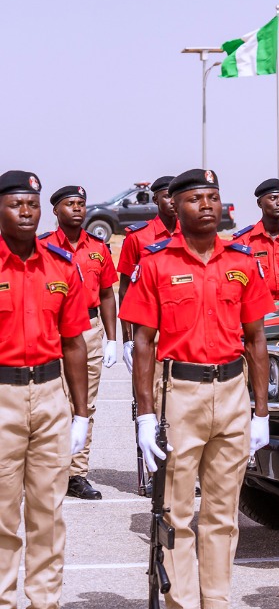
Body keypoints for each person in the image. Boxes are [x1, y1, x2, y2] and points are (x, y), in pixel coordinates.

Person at [122, 168, 275, 609]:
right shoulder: (155, 264)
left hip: (231, 392)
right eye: (195, 199)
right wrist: (146, 415)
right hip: (181, 394)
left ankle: (217, 601)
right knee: (176, 511)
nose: (206, 205)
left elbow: (256, 339)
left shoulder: (243, 262)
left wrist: (260, 411)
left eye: (213, 197)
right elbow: (144, 342)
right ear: (175, 205)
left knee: (223, 515)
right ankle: (182, 603)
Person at [0, 170, 90, 609]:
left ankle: (45, 602)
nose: (25, 212)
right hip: (2, 398)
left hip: (51, 393)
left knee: (47, 513)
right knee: (0, 515)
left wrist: (81, 414)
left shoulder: (60, 265)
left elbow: (73, 342)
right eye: (16, 204)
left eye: (32, 205)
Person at [40, 185, 120, 501]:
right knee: (49, 403)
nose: (77, 209)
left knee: (84, 404)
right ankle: (47, 470)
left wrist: (112, 338)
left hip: (88, 328)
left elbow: (106, 294)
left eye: (81, 204)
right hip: (51, 329)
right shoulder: (42, 247)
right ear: (56, 210)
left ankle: (76, 474)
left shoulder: (99, 248)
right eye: (69, 204)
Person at [117, 174, 175, 372]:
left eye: (177, 196)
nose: (173, 201)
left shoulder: (193, 236)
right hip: (148, 327)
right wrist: (127, 340)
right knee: (146, 396)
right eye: (167, 196)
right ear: (156, 199)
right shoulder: (138, 237)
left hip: (185, 327)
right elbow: (124, 291)